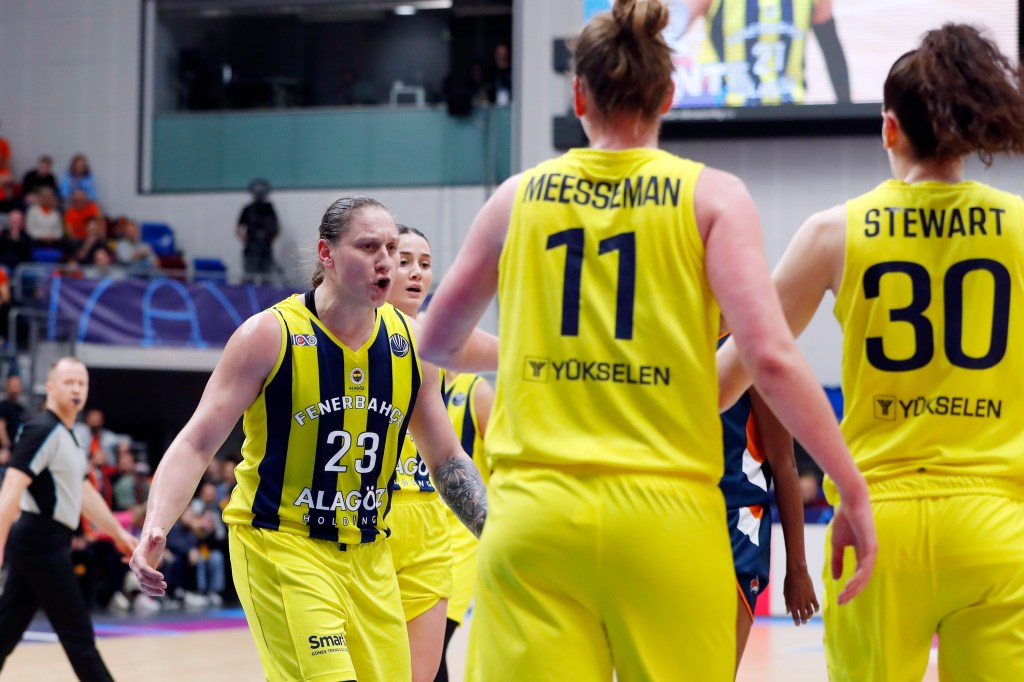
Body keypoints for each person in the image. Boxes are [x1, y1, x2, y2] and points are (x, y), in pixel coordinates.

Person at [418, 2, 875, 679]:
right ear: (667, 94)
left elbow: (436, 341)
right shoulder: (713, 197)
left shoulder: (517, 197)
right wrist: (852, 489)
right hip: (667, 515)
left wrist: (520, 353)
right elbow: (771, 357)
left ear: (578, 95)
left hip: (537, 515)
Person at [719, 24, 1024, 680]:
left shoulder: (834, 231)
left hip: (876, 520)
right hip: (997, 523)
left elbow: (730, 372)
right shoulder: (1020, 226)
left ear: (889, 128)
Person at [129, 195, 493, 682]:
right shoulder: (268, 335)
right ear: (327, 254)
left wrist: (499, 536)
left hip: (369, 551)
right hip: (283, 544)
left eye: (391, 248)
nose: (386, 261)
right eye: (368, 247)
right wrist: (156, 524)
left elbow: (446, 459)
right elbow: (197, 443)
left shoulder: (410, 344)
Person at [0, 357, 138, 681]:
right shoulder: (41, 430)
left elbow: (83, 492)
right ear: (50, 388)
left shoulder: (68, 435)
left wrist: (119, 534)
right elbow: (11, 489)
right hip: (40, 543)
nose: (76, 389)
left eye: (81, 383)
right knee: (78, 636)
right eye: (69, 382)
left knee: (5, 630)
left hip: (41, 543)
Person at [385, 225, 453, 682]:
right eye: (405, 261)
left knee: (420, 675)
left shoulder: (435, 343)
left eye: (425, 264)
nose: (416, 273)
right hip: (370, 517)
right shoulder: (353, 331)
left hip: (429, 518)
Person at [718, 370, 817, 670]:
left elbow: (785, 464)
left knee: (717, 670)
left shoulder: (750, 357)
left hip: (737, 526)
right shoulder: (672, 350)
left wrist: (797, 567)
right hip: (678, 515)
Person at [435, 369, 493, 682]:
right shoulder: (417, 380)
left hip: (463, 537)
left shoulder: (476, 391)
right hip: (423, 530)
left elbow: (504, 468)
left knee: (435, 644)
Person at [683, 0, 850, 106]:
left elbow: (832, 50)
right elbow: (671, 32)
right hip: (723, 112)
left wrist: (846, 110)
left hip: (788, 112)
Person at [236, 179, 280, 282]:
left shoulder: (269, 208)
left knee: (266, 277)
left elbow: (276, 228)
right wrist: (245, 240)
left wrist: (269, 240)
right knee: (249, 276)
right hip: (251, 248)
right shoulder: (248, 209)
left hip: (265, 248)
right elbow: (239, 228)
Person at [0, 374, 27, 466]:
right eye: (12, 386)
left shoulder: (20, 409)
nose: (14, 389)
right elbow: (1, 426)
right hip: (5, 453)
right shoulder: (3, 406)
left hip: (16, 452)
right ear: (7, 387)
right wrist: (6, 447)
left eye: (16, 386)